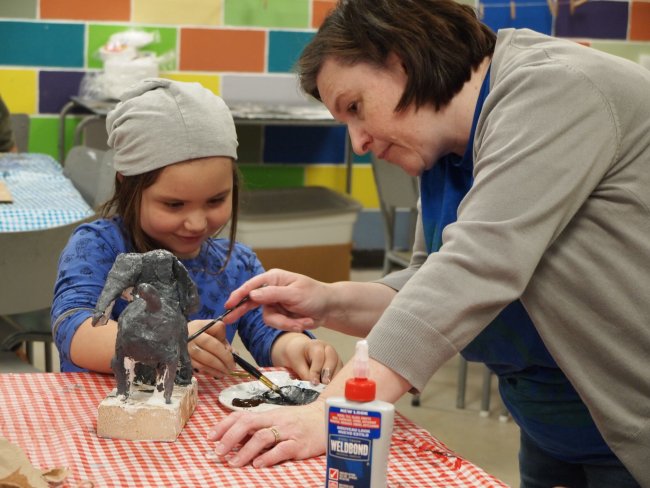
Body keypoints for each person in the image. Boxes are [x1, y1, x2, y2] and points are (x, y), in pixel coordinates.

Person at [207, 1, 650, 486]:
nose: (357, 143)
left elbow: (475, 270)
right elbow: (426, 286)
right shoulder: (445, 143)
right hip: (550, 426)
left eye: (355, 107)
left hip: (627, 426)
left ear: (403, 60)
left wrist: (333, 412)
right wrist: (327, 300)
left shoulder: (556, 90)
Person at [51, 78, 342, 386]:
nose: (197, 223)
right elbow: (74, 329)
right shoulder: (99, 247)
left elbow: (268, 332)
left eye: (216, 200)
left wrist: (299, 347)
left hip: (198, 426)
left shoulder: (236, 265)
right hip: (103, 418)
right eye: (174, 204)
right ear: (128, 186)